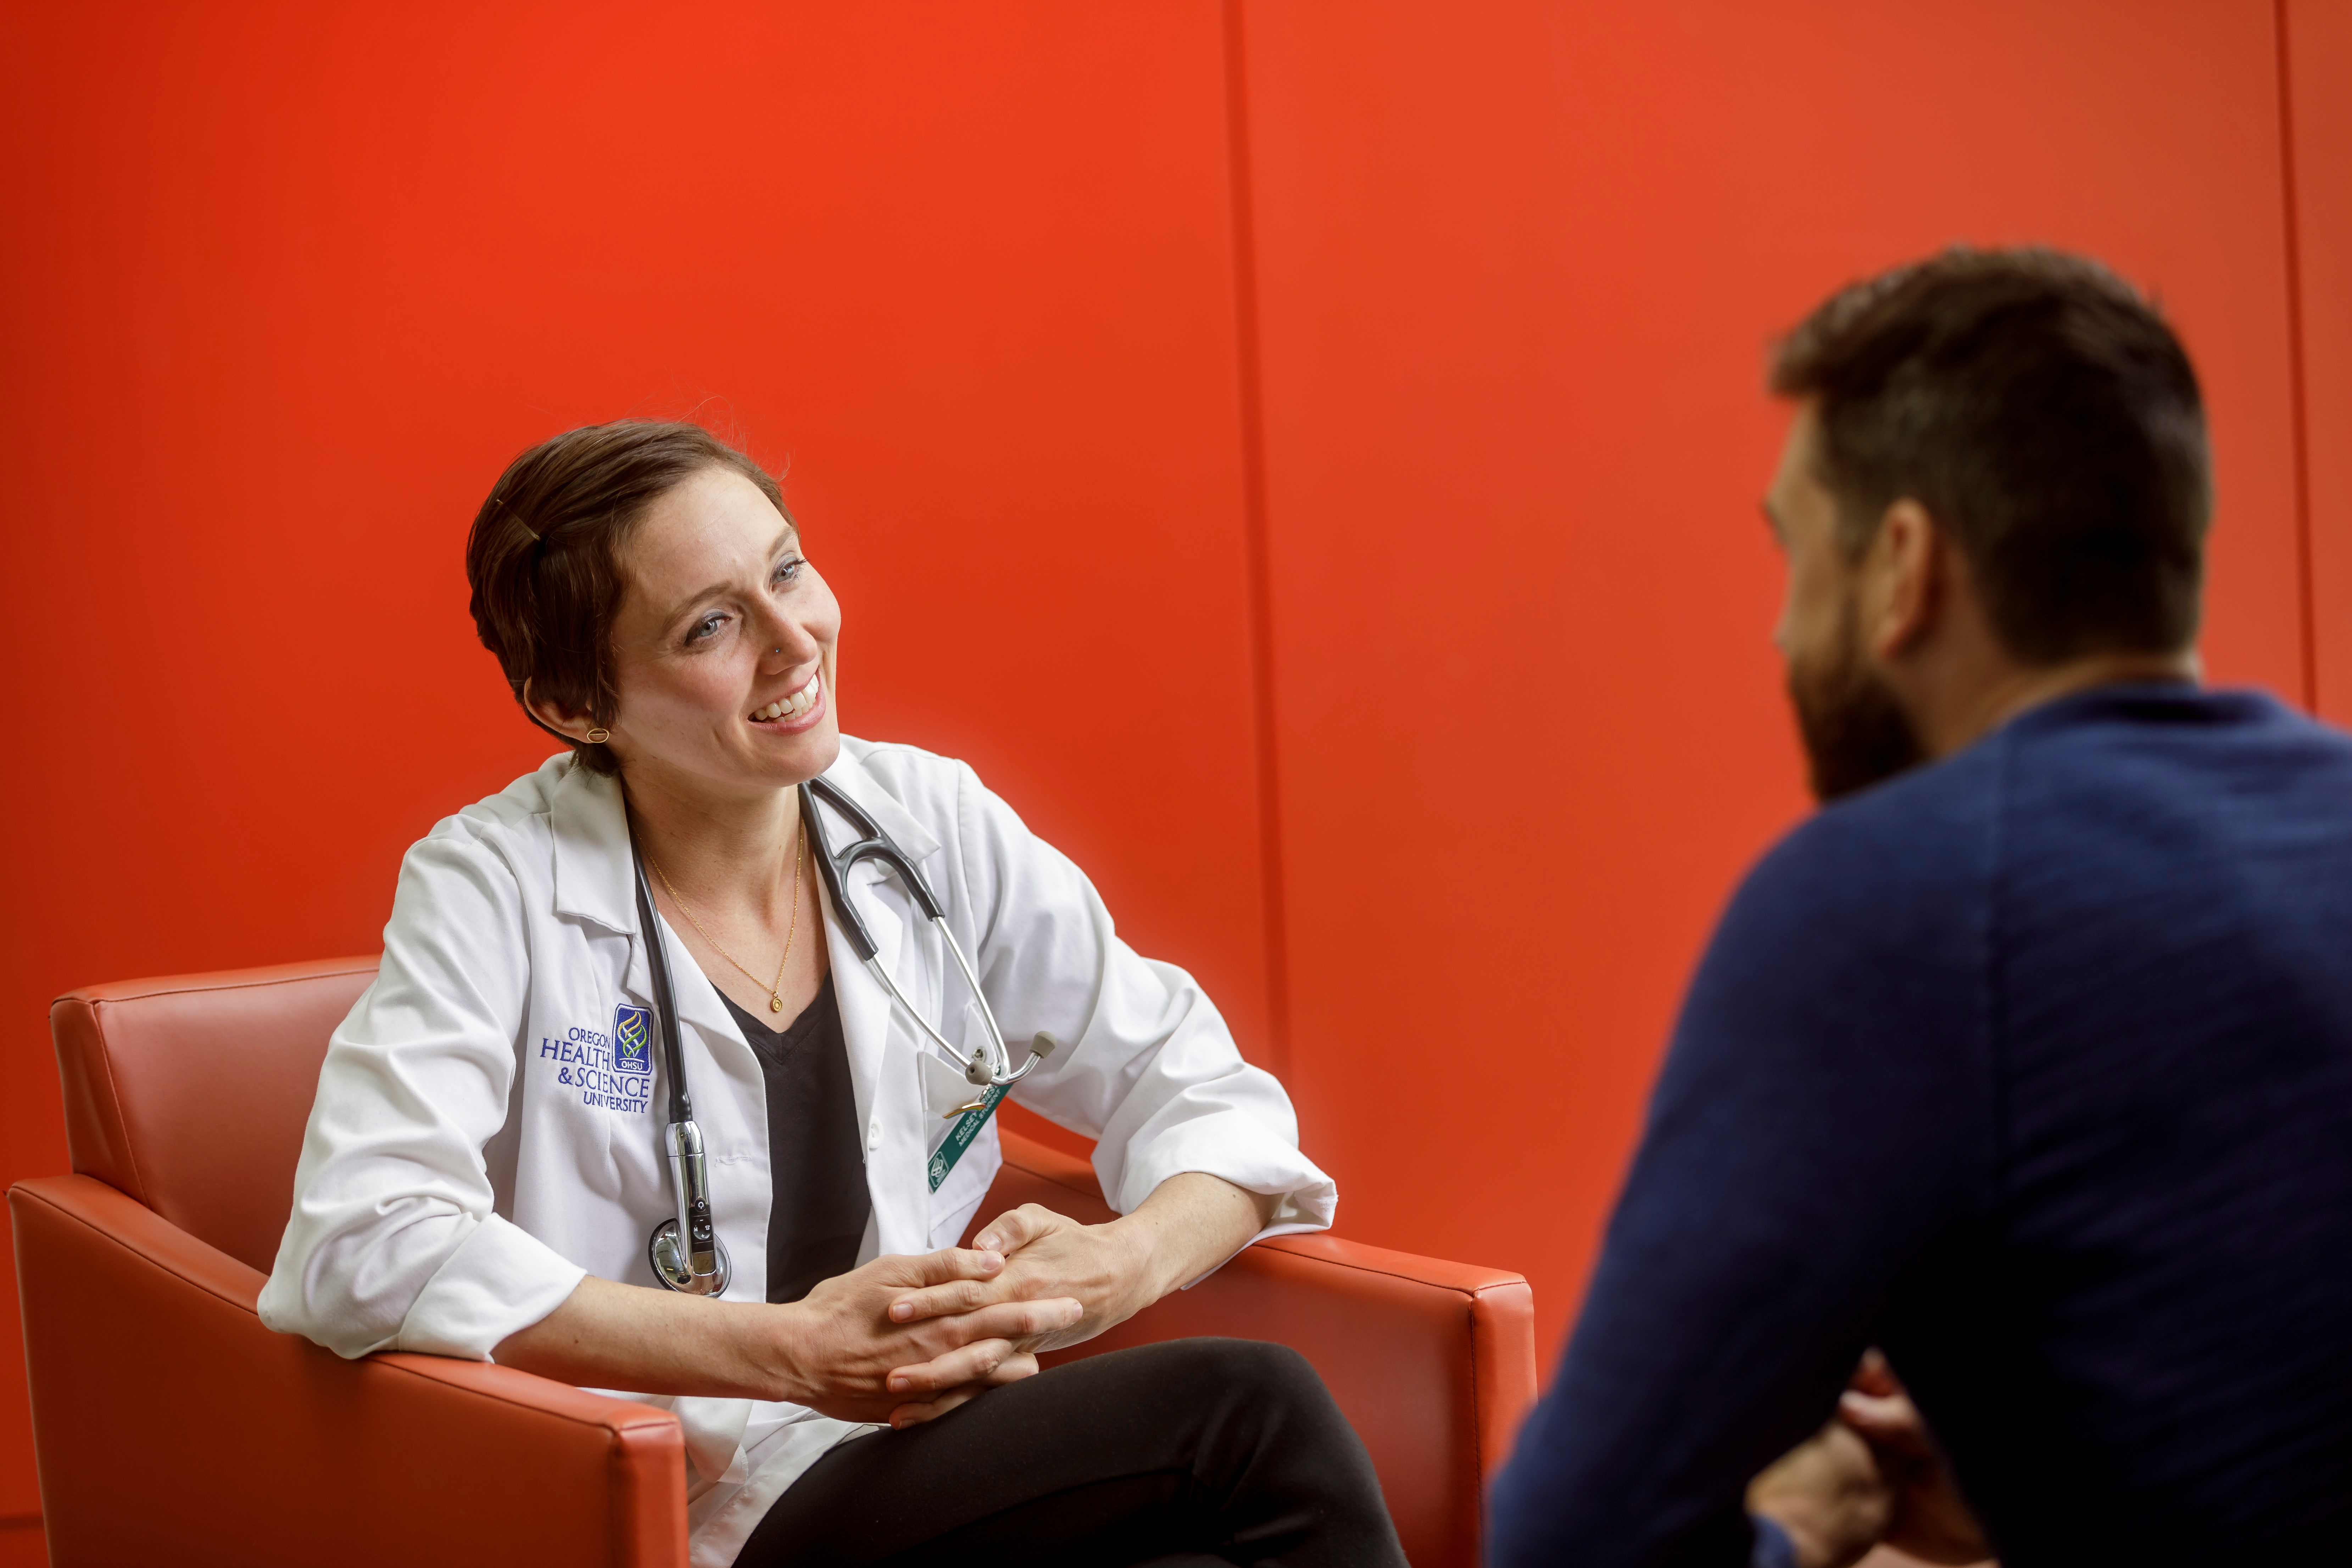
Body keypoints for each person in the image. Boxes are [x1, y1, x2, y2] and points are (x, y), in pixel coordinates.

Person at [259, 421, 1406, 1568]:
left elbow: (1206, 1093)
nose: (792, 640)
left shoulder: (925, 822)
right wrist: (790, 1350)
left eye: (787, 569)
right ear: (577, 706)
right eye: (711, 624)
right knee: (1246, 1412)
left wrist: (1129, 1262)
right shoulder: (492, 886)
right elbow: (365, 1239)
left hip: (906, 1458)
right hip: (669, 1496)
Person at [1488, 248, 2352, 1567]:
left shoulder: (1899, 901)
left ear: (1904, 567)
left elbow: (1578, 1542)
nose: (1782, 632)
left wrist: (1797, 1526)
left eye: (1795, 553)